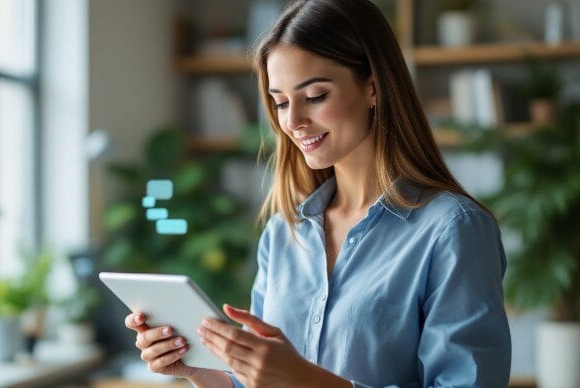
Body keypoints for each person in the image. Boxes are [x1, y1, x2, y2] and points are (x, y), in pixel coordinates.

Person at [125, 0, 512, 386]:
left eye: (314, 96)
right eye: (279, 102)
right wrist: (197, 369)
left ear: (373, 88)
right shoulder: (284, 232)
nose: (293, 121)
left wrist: (307, 380)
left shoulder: (452, 229)